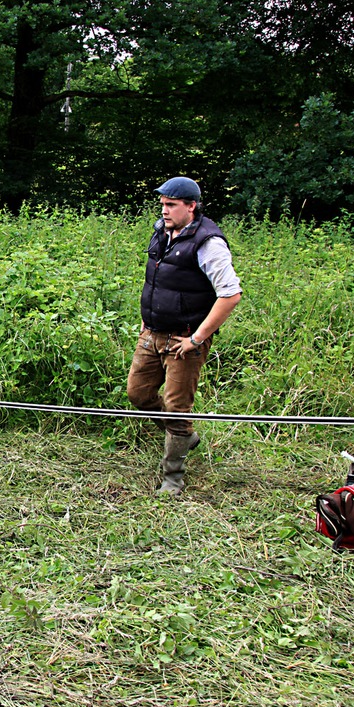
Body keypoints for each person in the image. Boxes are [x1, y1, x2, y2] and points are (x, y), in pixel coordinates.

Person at [127, 176, 242, 496]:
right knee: (138, 395)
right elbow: (157, 284)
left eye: (171, 205)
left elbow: (230, 295)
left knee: (178, 409)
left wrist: (198, 338)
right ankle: (185, 437)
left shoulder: (209, 243)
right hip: (152, 332)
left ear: (191, 206)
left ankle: (173, 477)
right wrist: (145, 320)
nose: (164, 210)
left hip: (185, 340)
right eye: (162, 204)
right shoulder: (162, 233)